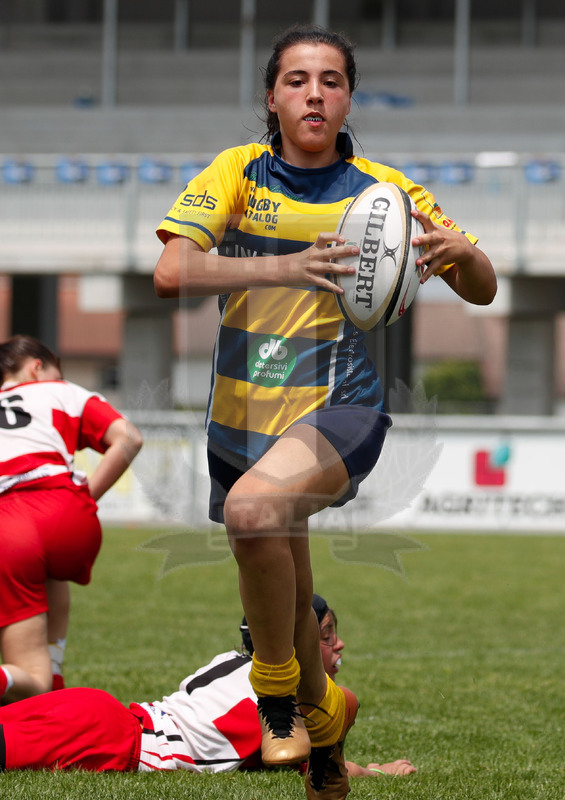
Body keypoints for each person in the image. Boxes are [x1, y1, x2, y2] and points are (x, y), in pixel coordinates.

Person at [153, 23, 496, 800]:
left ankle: (274, 696)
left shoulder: (383, 190)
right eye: (298, 80)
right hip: (242, 416)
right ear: (271, 97)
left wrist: (462, 255)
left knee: (252, 514)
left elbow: (481, 287)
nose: (314, 93)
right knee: (288, 562)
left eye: (331, 81)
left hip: (340, 405)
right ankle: (324, 729)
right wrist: (286, 265)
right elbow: (170, 271)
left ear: (347, 99)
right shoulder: (237, 172)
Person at [0, 593, 416, 778]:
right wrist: (380, 773)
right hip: (112, 738)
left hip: (99, 713)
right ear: (298, 644)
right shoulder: (284, 697)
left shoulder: (232, 661)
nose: (338, 643)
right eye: (325, 635)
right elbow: (325, 768)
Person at [0, 335, 143, 704]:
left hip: (9, 523)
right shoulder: (61, 390)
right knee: (50, 567)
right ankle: (56, 667)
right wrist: (84, 500)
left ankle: (38, 675)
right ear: (37, 366)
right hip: (66, 514)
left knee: (31, 678)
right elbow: (129, 438)